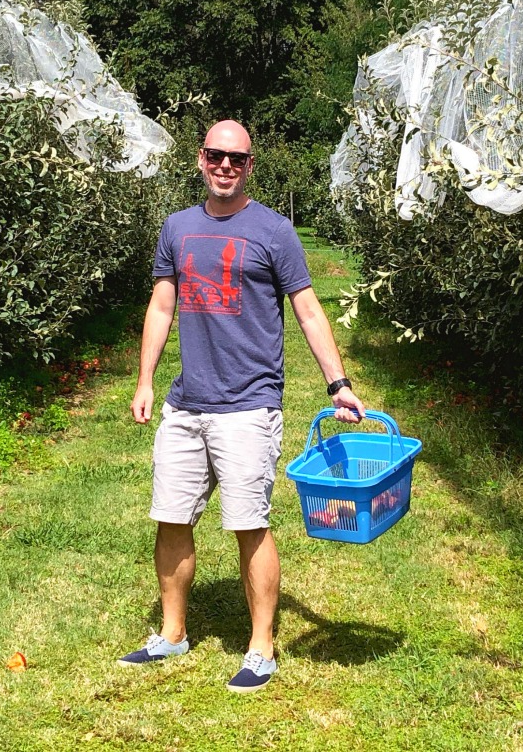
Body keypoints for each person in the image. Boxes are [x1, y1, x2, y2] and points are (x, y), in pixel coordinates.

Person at [119, 119, 365, 693]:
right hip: (186, 403)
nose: (225, 165)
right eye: (215, 155)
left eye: (236, 158)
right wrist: (145, 380)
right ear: (200, 160)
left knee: (249, 523)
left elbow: (307, 309)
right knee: (172, 517)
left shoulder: (274, 231)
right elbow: (161, 306)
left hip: (249, 404)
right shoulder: (177, 228)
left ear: (250, 165)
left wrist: (338, 383)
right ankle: (173, 634)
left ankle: (261, 649)